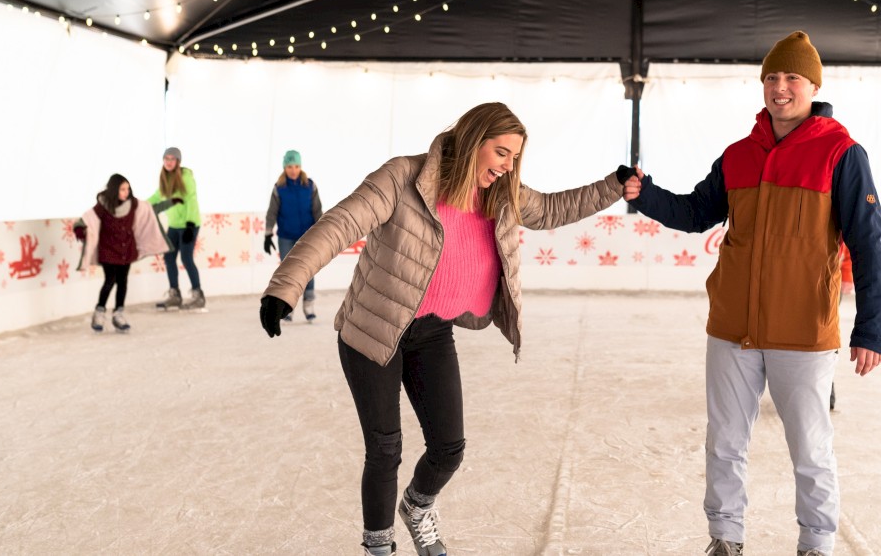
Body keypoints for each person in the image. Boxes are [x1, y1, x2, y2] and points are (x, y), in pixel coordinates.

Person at [258, 102, 628, 556]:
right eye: (501, 153)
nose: (508, 166)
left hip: (431, 332)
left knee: (449, 447)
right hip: (373, 331)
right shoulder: (402, 177)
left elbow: (554, 208)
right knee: (385, 449)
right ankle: (378, 546)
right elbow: (340, 223)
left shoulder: (503, 194)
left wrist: (613, 186)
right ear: (474, 141)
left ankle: (416, 507)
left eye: (515, 157)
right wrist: (285, 285)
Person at [622, 31, 881, 556]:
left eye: (792, 78)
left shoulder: (842, 153)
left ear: (813, 85)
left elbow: (869, 241)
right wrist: (645, 193)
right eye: (771, 77)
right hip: (732, 326)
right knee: (724, 442)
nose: (780, 87)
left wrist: (871, 328)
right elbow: (697, 212)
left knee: (811, 448)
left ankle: (816, 542)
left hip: (803, 329)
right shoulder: (739, 154)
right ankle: (725, 539)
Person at [75, 174, 173, 332]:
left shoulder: (133, 204)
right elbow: (88, 218)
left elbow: (149, 209)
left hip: (126, 249)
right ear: (114, 190)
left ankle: (118, 314)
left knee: (122, 281)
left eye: (128, 188)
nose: (126, 192)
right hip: (108, 249)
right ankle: (99, 312)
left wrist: (169, 203)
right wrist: (80, 228)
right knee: (110, 280)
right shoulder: (103, 205)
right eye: (122, 189)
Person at [263, 149, 323, 323]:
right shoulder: (279, 188)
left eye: (296, 166)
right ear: (285, 167)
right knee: (288, 272)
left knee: (308, 270)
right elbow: (272, 212)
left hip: (307, 236)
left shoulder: (310, 186)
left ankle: (309, 304)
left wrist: (321, 232)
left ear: (300, 166)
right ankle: (287, 307)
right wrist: (267, 235)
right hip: (286, 237)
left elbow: (318, 211)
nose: (293, 170)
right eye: (290, 166)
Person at [148, 146, 206, 310]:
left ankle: (198, 295)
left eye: (172, 159)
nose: (168, 162)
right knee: (169, 258)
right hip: (174, 226)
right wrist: (141, 206)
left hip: (189, 225)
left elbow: (191, 200)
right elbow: (157, 196)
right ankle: (175, 294)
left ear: (178, 161)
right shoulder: (165, 179)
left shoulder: (186, 177)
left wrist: (189, 224)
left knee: (186, 258)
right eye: (166, 159)